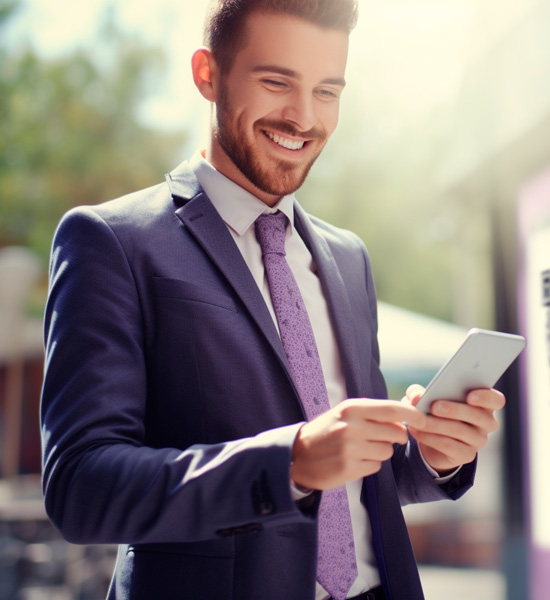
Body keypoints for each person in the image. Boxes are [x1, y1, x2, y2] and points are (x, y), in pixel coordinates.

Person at [40, 1, 505, 599]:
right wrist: (289, 463)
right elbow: (81, 489)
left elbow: (359, 484)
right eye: (276, 82)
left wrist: (433, 456)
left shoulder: (348, 257)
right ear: (208, 73)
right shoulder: (113, 242)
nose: (304, 117)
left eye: (328, 91)